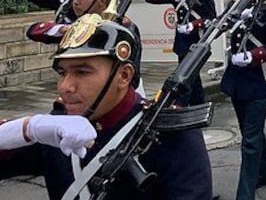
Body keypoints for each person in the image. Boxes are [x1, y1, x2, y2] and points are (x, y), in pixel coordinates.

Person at [0, 14, 212, 199]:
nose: (65, 86)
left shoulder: (172, 134)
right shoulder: (57, 127)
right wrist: (27, 129)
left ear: (124, 75)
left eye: (82, 72)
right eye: (62, 73)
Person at [220, 0, 266, 199]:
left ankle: (244, 194)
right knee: (251, 132)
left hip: (257, 83)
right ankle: (265, 172)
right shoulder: (235, 8)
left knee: (250, 140)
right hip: (237, 81)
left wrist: (253, 56)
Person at [145, 0, 217, 106]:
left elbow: (211, 18)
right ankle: (199, 103)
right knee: (192, 74)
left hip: (196, 39)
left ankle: (181, 103)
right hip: (182, 40)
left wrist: (193, 25)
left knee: (187, 72)